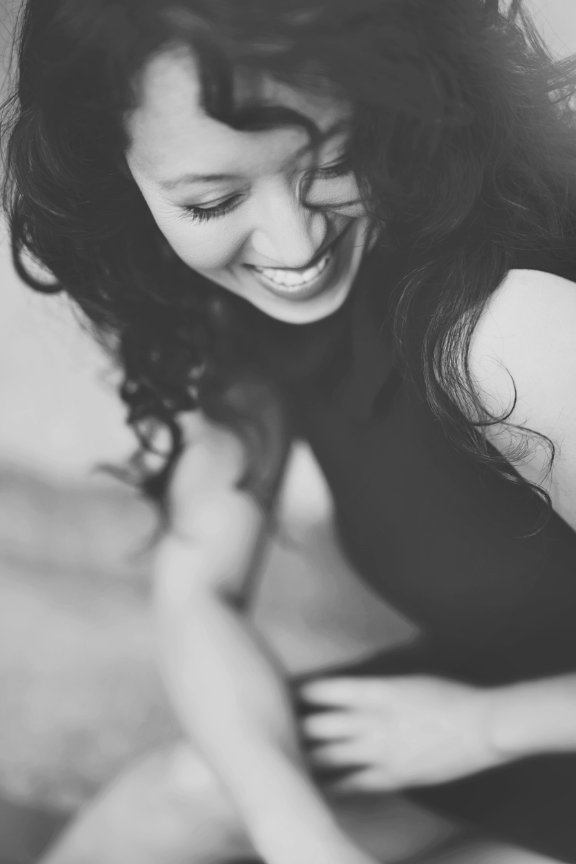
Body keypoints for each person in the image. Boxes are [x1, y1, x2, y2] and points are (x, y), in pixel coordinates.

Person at [3, 0, 576, 861]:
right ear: (118, 177)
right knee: (178, 804)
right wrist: (295, 834)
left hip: (524, 720)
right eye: (215, 200)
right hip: (489, 698)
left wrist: (489, 727)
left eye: (336, 162)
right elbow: (197, 591)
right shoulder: (229, 310)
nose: (294, 242)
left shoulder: (511, 333)